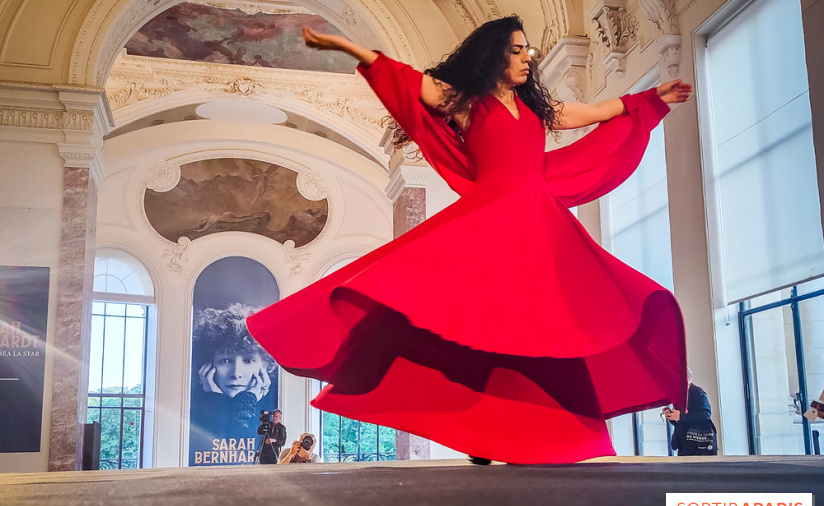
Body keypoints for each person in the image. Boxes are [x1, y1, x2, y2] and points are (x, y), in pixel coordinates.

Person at [247, 16, 691, 464]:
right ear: (494, 56)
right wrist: (349, 47)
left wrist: (648, 98)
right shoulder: (466, 104)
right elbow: (412, 84)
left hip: (539, 225)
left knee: (546, 329)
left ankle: (519, 435)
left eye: (527, 51)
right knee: (472, 326)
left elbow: (593, 113)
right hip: (491, 222)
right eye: (515, 51)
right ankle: (482, 433)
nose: (525, 59)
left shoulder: (537, 108)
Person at [189, 303, 278, 465]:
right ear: (207, 366)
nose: (236, 374)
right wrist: (214, 401)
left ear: (265, 365)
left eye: (248, 360)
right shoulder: (192, 406)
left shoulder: (275, 404)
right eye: (225, 360)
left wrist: (247, 401)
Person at [663, 368, 718, 456]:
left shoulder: (697, 392)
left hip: (699, 445)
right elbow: (682, 420)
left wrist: (680, 416)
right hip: (685, 444)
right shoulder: (680, 395)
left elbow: (705, 414)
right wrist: (672, 416)